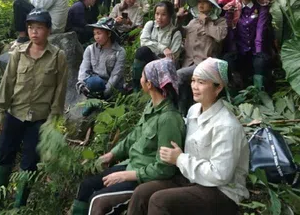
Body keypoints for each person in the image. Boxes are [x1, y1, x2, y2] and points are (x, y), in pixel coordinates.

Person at [127, 57, 250, 215]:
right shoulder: (194, 111)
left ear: (218, 87)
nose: (195, 87)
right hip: (191, 180)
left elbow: (220, 175)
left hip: (222, 191)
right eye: (193, 81)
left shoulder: (226, 126)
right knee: (142, 193)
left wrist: (180, 159)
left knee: (159, 201)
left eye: (202, 82)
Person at [71, 59, 185, 215]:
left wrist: (127, 176)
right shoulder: (152, 106)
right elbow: (134, 136)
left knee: (98, 201)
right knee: (86, 186)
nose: (140, 78)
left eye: (143, 75)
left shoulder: (168, 119)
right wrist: (112, 154)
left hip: (143, 177)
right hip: (131, 164)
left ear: (150, 84)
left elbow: (164, 169)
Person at [0, 9, 68, 207]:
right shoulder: (18, 53)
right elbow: (7, 84)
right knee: (4, 158)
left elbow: (60, 91)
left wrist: (54, 119)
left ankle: (20, 207)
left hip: (39, 119)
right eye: (31, 28)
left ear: (48, 31)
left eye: (39, 28)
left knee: (29, 164)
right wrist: (0, 113)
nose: (34, 32)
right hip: (15, 113)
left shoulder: (58, 56)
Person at [176, 0, 228, 115]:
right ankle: (182, 112)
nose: (201, 5)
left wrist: (207, 21)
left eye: (205, 2)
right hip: (188, 62)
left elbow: (220, 36)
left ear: (212, 5)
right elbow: (182, 33)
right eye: (199, 2)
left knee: (179, 75)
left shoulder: (220, 22)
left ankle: (182, 112)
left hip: (206, 63)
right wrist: (179, 20)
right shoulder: (193, 21)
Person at [223, 0, 272, 92]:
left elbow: (261, 29)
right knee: (227, 60)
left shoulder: (261, 7)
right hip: (239, 50)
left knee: (261, 62)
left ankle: (259, 94)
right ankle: (234, 92)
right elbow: (228, 30)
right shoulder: (231, 7)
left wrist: (259, 52)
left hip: (255, 49)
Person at [76, 17, 126, 116]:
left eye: (99, 33)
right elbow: (84, 68)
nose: (96, 37)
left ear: (109, 33)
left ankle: (99, 101)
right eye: (95, 34)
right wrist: (81, 84)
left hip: (111, 86)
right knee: (93, 81)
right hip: (93, 84)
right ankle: (92, 101)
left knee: (96, 82)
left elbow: (116, 75)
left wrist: (106, 91)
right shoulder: (90, 49)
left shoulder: (119, 52)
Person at [132, 0, 182, 91]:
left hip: (164, 65)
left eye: (163, 14)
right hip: (149, 59)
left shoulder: (175, 33)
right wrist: (163, 48)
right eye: (157, 14)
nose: (159, 17)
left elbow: (173, 58)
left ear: (170, 15)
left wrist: (161, 56)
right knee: (142, 51)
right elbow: (143, 41)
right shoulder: (150, 25)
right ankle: (136, 86)